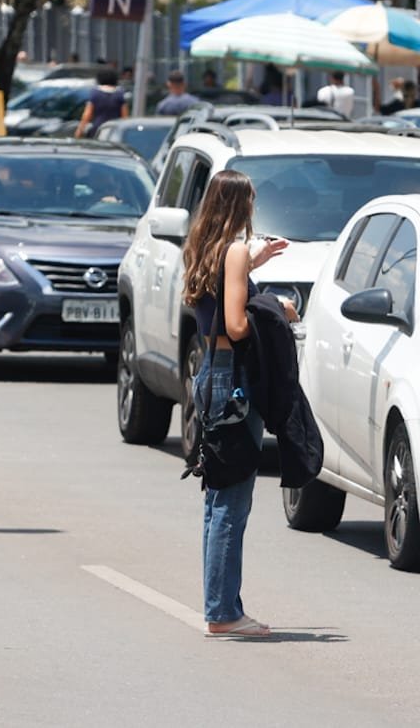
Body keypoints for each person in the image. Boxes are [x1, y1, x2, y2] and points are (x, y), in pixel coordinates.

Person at [181, 170, 296, 637]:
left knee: (217, 495)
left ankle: (220, 606)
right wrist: (277, 307)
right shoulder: (231, 251)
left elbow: (217, 306)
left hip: (212, 372)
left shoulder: (204, 248)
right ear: (238, 205)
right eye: (249, 201)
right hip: (233, 378)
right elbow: (237, 324)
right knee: (232, 498)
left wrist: (252, 267)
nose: (253, 209)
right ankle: (224, 612)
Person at [74, 69, 128, 137]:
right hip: (114, 131)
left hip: (98, 129)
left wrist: (80, 130)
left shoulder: (95, 93)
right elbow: (124, 116)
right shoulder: (120, 94)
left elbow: (87, 114)